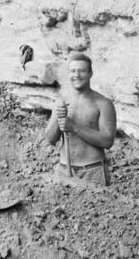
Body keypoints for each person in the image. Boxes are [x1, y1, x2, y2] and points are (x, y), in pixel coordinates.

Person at [45, 52, 116, 186]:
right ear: (69, 74)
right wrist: (58, 119)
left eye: (82, 71)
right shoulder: (62, 101)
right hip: (64, 170)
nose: (76, 75)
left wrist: (74, 127)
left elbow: (108, 140)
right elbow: (50, 139)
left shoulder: (103, 104)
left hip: (92, 172)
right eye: (73, 71)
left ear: (90, 73)